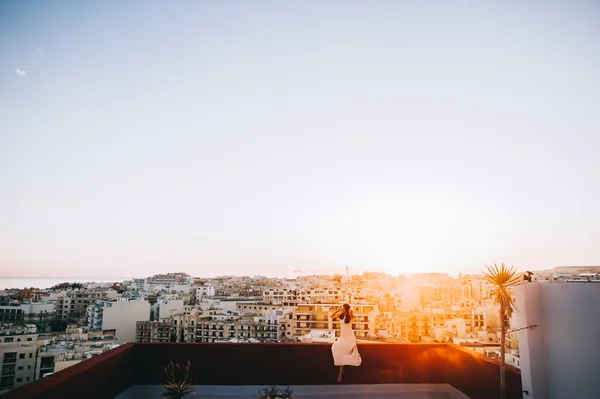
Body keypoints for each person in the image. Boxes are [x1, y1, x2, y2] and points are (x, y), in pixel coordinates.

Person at [330, 303, 361, 383]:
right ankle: (341, 371)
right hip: (342, 336)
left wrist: (349, 311)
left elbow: (353, 315)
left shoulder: (350, 317)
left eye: (343, 309)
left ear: (346, 309)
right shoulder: (340, 316)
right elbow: (331, 316)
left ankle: (340, 373)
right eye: (342, 309)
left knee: (343, 352)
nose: (342, 310)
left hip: (349, 337)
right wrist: (337, 309)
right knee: (335, 347)